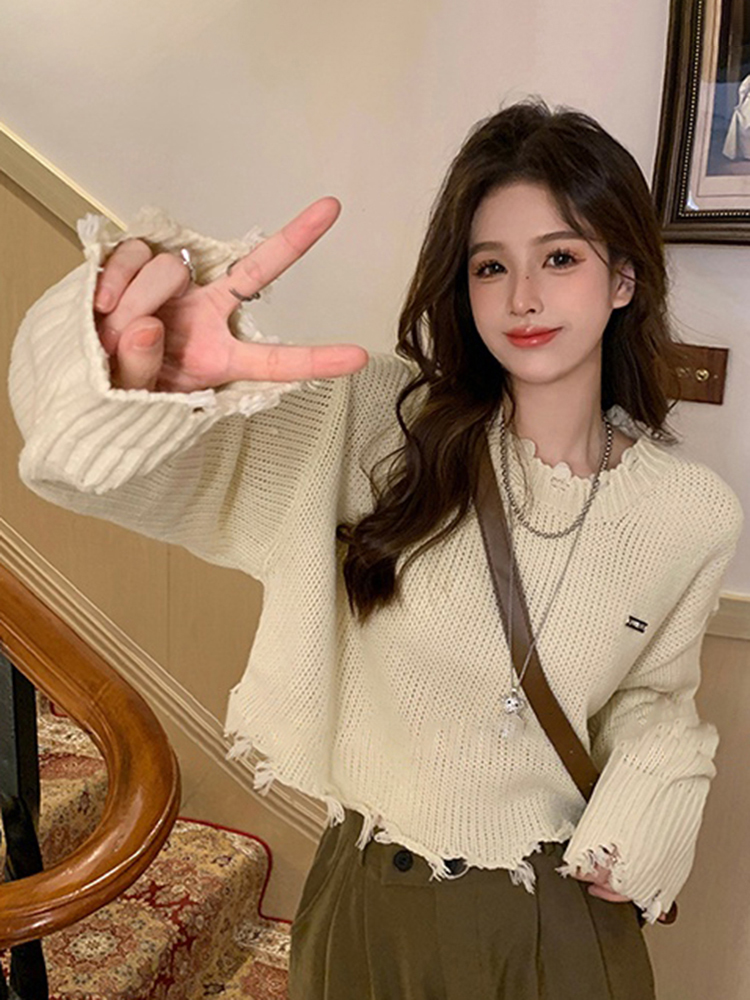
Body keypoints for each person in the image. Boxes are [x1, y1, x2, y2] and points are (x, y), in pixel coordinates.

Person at [9, 100, 743, 999]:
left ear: (622, 278)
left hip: (555, 912)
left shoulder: (689, 514)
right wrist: (130, 382)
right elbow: (113, 474)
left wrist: (649, 812)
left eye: (560, 257)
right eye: (490, 265)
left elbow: (652, 697)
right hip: (371, 895)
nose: (522, 297)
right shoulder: (379, 426)